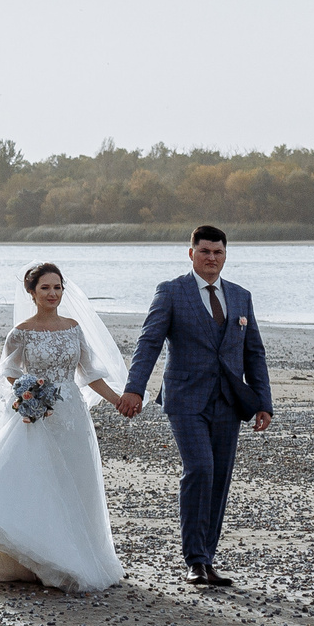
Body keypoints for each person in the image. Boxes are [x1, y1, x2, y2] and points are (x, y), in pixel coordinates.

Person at [0, 260, 128, 593]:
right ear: (32, 292)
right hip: (38, 414)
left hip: (72, 414)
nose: (53, 293)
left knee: (76, 482)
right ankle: (40, 556)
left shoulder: (73, 327)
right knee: (40, 482)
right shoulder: (21, 332)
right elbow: (7, 372)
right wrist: (29, 391)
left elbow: (89, 374)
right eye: (45, 288)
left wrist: (119, 400)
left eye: (57, 287)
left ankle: (79, 556)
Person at [117, 224, 274, 587]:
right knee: (200, 469)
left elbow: (254, 352)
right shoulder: (172, 292)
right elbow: (149, 342)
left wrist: (263, 401)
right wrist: (134, 389)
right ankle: (194, 560)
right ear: (191, 254)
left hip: (229, 402)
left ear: (225, 255)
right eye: (204, 251)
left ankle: (207, 559)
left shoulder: (240, 296)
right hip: (185, 399)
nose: (211, 259)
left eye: (218, 252)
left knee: (219, 480)